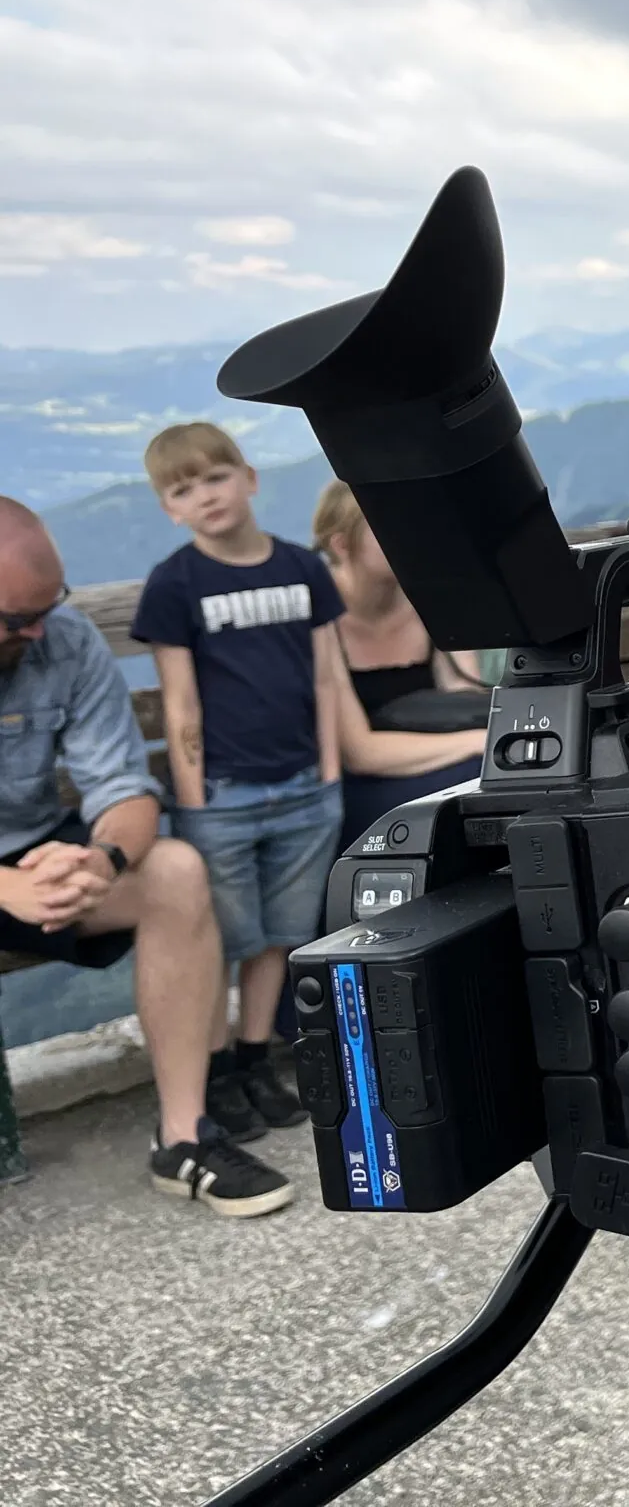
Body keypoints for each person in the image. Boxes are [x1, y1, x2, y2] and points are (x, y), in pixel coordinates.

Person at [0, 500, 289, 1216]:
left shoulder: (61, 641)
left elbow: (124, 789)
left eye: (49, 606)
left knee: (173, 871)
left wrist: (102, 858)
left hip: (43, 860)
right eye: (14, 621)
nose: (36, 630)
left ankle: (185, 1138)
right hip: (11, 880)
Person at [133, 423, 344, 1146]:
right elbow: (179, 702)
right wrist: (193, 799)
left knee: (277, 938)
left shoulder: (301, 569)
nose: (204, 496)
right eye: (182, 489)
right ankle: (217, 1069)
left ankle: (257, 1060)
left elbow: (323, 676)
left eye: (215, 478)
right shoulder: (176, 584)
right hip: (223, 796)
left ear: (249, 479)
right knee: (221, 937)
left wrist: (329, 770)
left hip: (305, 787)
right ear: (169, 509)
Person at [310, 481, 493, 853]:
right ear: (342, 545)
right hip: (360, 786)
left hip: (438, 763)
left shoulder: (430, 600)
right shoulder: (320, 615)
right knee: (481, 785)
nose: (411, 538)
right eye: (389, 528)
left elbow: (463, 706)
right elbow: (359, 753)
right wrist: (479, 743)